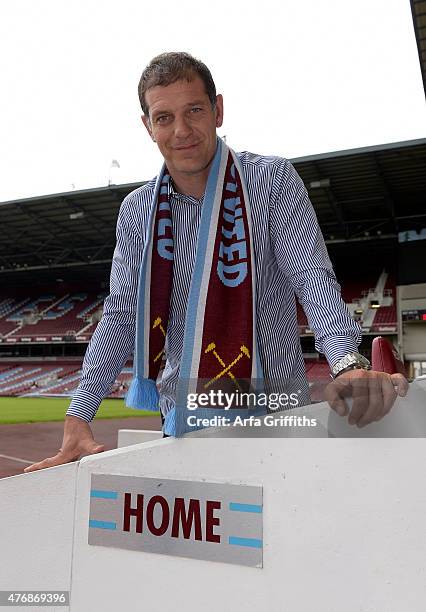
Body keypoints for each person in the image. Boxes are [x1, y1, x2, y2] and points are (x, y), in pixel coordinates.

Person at [24, 52, 408, 472]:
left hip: (276, 417)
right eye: (164, 117)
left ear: (218, 110)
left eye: (194, 110)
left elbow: (311, 276)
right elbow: (121, 313)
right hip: (185, 427)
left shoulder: (271, 180)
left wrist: (346, 363)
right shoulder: (138, 211)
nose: (182, 130)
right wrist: (79, 415)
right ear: (148, 126)